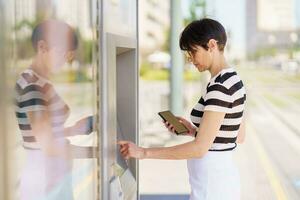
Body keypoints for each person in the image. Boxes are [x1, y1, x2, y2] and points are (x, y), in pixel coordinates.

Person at [118, 18, 246, 200]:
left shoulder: (220, 86)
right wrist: (194, 131)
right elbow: (237, 135)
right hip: (219, 182)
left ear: (211, 45)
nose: (191, 59)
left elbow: (200, 148)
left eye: (193, 52)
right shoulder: (233, 80)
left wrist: (144, 152)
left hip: (212, 187)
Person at [14, 19, 96, 200]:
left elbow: (37, 135)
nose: (65, 60)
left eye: (69, 54)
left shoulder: (39, 81)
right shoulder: (33, 86)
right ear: (42, 47)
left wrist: (75, 129)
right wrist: (98, 152)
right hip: (45, 181)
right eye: (61, 52)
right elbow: (47, 145)